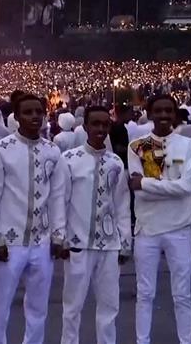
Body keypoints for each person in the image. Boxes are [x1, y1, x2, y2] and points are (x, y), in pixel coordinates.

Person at [0, 94, 69, 344]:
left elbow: (57, 196)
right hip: (9, 243)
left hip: (42, 242)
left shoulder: (53, 151)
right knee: (0, 306)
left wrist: (58, 235)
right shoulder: (1, 150)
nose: (34, 117)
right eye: (28, 112)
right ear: (17, 117)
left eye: (38, 112)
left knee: (38, 308)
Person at [127, 94, 191, 344]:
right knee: (145, 293)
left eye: (168, 111)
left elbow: (186, 188)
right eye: (158, 111)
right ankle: (143, 341)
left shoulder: (187, 145)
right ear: (149, 114)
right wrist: (163, 187)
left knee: (182, 294)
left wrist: (147, 184)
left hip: (178, 228)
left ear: (175, 114)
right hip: (147, 228)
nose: (163, 115)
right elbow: (137, 189)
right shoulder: (138, 146)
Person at [60, 106, 131, 344]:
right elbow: (62, 201)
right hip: (77, 244)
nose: (100, 129)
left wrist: (125, 241)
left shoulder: (116, 163)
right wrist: (60, 237)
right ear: (86, 127)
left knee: (110, 307)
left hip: (109, 245)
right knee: (72, 307)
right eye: (95, 124)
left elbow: (122, 204)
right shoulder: (69, 160)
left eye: (104, 125)